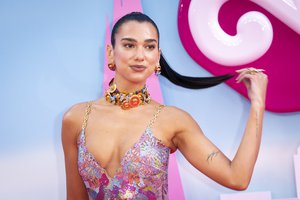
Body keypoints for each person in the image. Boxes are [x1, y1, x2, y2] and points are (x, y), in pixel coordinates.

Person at [61, 12, 268, 200]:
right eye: (129, 45)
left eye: (149, 46)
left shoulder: (172, 120)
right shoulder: (77, 118)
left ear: (157, 56)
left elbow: (236, 178)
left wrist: (258, 104)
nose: (140, 55)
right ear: (110, 53)